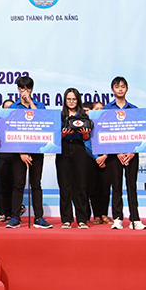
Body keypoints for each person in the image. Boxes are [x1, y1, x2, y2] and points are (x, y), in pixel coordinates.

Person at [6, 76, 53, 229]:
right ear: (17, 89)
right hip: (19, 152)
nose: (24, 91)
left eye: (27, 88)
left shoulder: (39, 106)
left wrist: (31, 103)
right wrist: (21, 153)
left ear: (31, 90)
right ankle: (15, 216)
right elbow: (9, 132)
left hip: (37, 151)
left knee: (36, 184)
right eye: (21, 88)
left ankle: (39, 217)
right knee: (18, 183)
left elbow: (43, 122)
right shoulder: (14, 107)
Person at [104, 76, 146, 230]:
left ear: (127, 89)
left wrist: (132, 152)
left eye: (123, 86)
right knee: (116, 187)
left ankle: (135, 219)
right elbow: (104, 134)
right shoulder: (107, 110)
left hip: (132, 154)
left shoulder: (134, 110)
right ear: (112, 89)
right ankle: (117, 218)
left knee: (131, 186)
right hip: (115, 156)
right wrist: (117, 153)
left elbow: (141, 134)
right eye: (117, 86)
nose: (120, 89)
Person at [56, 88, 92, 229]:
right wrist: (63, 135)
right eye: (69, 99)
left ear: (78, 100)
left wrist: (84, 135)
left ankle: (82, 219)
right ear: (65, 101)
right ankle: (66, 219)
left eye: (74, 99)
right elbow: (55, 137)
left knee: (81, 185)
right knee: (65, 186)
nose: (71, 101)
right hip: (63, 149)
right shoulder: (60, 116)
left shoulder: (84, 116)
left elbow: (88, 137)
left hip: (79, 149)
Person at [83, 101, 111, 225]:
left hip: (106, 159)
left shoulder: (108, 124)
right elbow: (87, 143)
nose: (99, 111)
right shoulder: (88, 124)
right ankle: (97, 215)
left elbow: (112, 141)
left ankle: (104, 214)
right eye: (96, 109)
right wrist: (97, 158)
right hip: (91, 160)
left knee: (105, 188)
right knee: (93, 189)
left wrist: (105, 156)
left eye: (101, 109)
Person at [0, 99, 15, 222]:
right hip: (1, 155)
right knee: (0, 186)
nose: (8, 109)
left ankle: (11, 213)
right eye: (5, 107)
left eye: (10, 107)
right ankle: (1, 211)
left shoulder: (18, 123)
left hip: (15, 156)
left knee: (13, 186)